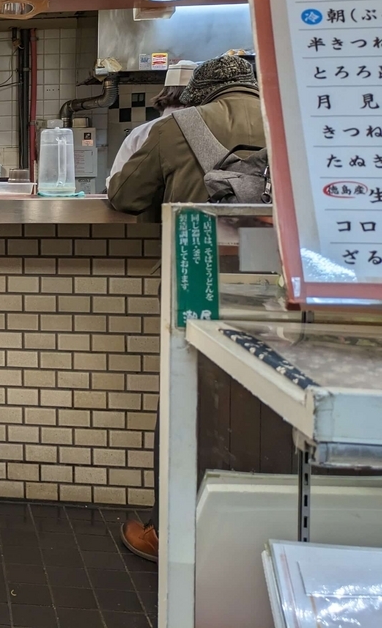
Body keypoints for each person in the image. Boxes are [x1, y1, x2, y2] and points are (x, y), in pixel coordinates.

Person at [107, 54, 266, 563]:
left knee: (187, 398)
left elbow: (126, 195)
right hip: (290, 288)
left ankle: (169, 532)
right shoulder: (298, 120)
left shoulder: (180, 125)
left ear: (202, 93)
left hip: (200, 279)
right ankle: (259, 530)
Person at [105, 60, 196, 190]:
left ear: (164, 93)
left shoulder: (140, 133)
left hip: (144, 208)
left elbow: (114, 185)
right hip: (193, 209)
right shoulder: (207, 131)